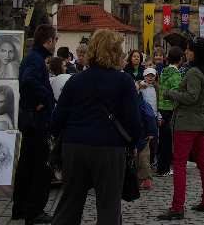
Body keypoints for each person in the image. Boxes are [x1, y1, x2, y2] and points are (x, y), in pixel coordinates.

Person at [51, 29, 140, 225]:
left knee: (69, 204)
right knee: (109, 206)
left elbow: (57, 119)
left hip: (75, 145)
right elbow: (134, 121)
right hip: (109, 147)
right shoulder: (124, 81)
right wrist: (134, 144)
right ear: (116, 52)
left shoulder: (76, 80)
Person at [158, 38, 204, 220]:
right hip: (199, 123)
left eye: (189, 50)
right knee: (203, 161)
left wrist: (169, 93)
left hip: (186, 124)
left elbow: (191, 97)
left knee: (180, 164)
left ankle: (177, 207)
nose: (186, 52)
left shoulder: (193, 73)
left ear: (196, 52)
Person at [12, 24, 58, 225]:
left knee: (27, 165)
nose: (55, 44)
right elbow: (28, 81)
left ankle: (21, 208)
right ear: (48, 41)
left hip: (31, 120)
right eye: (55, 40)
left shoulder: (34, 57)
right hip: (36, 122)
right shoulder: (35, 59)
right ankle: (34, 210)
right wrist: (45, 99)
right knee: (40, 168)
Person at [156, 45, 184, 176]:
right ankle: (165, 168)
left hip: (161, 107)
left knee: (163, 139)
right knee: (168, 140)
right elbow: (176, 92)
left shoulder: (164, 71)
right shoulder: (176, 73)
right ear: (180, 59)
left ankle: (161, 166)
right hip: (170, 108)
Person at [136, 81, 159, 191]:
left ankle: (146, 179)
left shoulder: (142, 103)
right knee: (138, 158)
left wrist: (151, 133)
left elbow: (150, 118)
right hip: (136, 134)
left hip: (143, 135)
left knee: (143, 158)